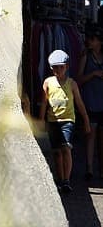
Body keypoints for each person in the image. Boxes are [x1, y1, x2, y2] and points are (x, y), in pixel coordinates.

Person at [42, 48, 90, 194]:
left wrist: (86, 121)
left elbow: (79, 103)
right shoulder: (48, 83)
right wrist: (40, 120)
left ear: (66, 67)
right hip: (52, 121)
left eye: (61, 67)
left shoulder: (71, 84)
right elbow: (44, 103)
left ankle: (66, 180)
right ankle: (60, 178)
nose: (58, 70)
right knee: (56, 151)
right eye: (55, 67)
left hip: (68, 120)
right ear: (51, 68)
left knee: (66, 148)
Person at [78, 27, 103, 180]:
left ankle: (101, 168)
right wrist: (94, 74)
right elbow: (78, 79)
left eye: (93, 39)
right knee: (91, 134)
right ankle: (89, 169)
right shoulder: (85, 57)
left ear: (100, 42)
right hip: (90, 101)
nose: (90, 41)